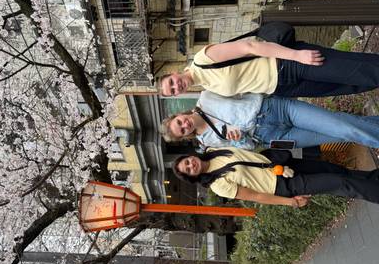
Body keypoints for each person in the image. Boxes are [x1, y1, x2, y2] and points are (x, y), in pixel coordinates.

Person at [161, 90, 379, 150]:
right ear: (186, 136)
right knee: (339, 131)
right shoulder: (208, 142)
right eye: (181, 130)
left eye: (179, 122)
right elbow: (247, 148)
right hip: (272, 138)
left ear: (179, 115)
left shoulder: (206, 97)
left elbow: (240, 87)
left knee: (342, 127)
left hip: (274, 110)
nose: (184, 125)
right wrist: (238, 139)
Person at [159, 39, 379, 98]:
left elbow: (250, 46)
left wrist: (296, 55)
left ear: (174, 73)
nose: (176, 86)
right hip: (283, 89)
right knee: (350, 84)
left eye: (171, 83)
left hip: (287, 64)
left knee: (354, 69)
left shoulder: (202, 59)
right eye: (173, 91)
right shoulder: (205, 86)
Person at [173, 147, 379, 208]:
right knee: (340, 184)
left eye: (188, 162)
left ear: (191, 156)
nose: (192, 165)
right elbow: (256, 197)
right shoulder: (218, 185)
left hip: (283, 166)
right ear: (192, 176)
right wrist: (290, 202)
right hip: (283, 184)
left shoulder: (215, 150)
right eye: (188, 170)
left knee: (337, 171)